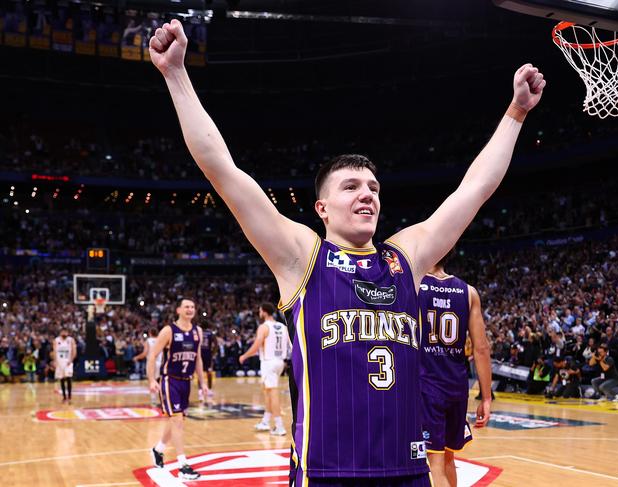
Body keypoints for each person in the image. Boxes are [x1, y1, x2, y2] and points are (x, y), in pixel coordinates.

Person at [149, 19, 545, 486]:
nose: (368, 194)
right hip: (327, 472)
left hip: (407, 471)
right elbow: (222, 169)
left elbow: (474, 189)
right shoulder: (301, 256)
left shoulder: (405, 258)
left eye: (374, 187)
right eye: (352, 186)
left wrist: (516, 113)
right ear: (322, 207)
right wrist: (176, 74)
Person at [419, 254, 492, 487]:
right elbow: (481, 348)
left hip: (426, 385)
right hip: (457, 388)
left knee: (434, 462)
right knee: (448, 458)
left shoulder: (415, 284)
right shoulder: (469, 292)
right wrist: (487, 397)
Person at [147, 298, 208, 480]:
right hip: (169, 380)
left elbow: (197, 359)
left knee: (177, 421)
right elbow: (152, 356)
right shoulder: (169, 330)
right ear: (178, 310)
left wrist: (202, 383)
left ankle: (158, 450)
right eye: (186, 306)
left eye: (192, 307)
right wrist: (151, 379)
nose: (190, 309)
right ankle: (183, 465)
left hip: (186, 381)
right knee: (178, 420)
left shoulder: (198, 331)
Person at [239, 302, 290, 436]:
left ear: (264, 312)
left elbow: (257, 345)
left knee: (272, 393)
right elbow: (290, 345)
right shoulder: (283, 326)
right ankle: (265, 422)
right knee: (268, 392)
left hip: (268, 361)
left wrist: (244, 356)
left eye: (260, 311)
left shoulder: (263, 327)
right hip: (280, 362)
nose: (259, 313)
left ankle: (279, 426)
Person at [134, 328, 162, 404]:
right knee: (159, 381)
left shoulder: (148, 341)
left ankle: (153, 400)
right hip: (160, 363)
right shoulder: (161, 340)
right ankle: (163, 398)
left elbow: (145, 353)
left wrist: (137, 357)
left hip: (151, 363)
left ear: (150, 333)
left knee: (151, 381)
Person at [54, 327, 76, 404]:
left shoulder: (71, 340)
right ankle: (64, 397)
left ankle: (69, 397)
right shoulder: (56, 340)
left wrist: (71, 360)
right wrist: (55, 361)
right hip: (60, 362)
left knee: (69, 379)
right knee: (62, 379)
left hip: (68, 362)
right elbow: (54, 351)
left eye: (65, 332)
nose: (64, 333)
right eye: (63, 332)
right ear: (60, 332)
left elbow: (74, 350)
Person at [198, 322, 215, 403]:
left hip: (200, 354)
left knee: (200, 373)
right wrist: (213, 353)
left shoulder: (198, 332)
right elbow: (216, 344)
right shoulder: (211, 333)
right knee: (209, 372)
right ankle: (210, 389)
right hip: (208, 355)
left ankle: (200, 391)